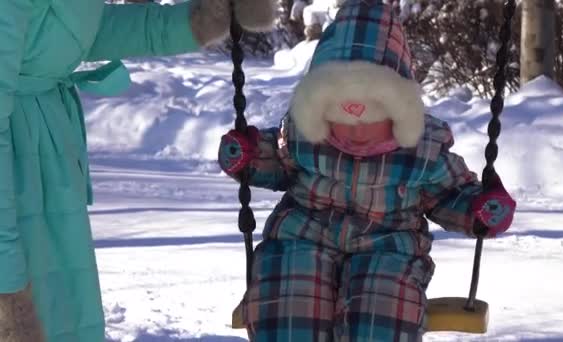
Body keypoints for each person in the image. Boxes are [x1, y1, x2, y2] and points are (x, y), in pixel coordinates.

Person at [217, 0, 516, 340]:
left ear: (399, 110)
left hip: (387, 247)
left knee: (383, 311)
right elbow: (276, 156)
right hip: (303, 237)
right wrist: (248, 155)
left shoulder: (422, 151)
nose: (356, 132)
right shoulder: (305, 136)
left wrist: (479, 210)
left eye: (372, 118)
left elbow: (451, 194)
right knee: (287, 294)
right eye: (341, 119)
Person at [0, 0, 275, 341]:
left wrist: (203, 19)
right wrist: (6, 279)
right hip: (16, 168)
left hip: (41, 158)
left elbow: (77, 31)